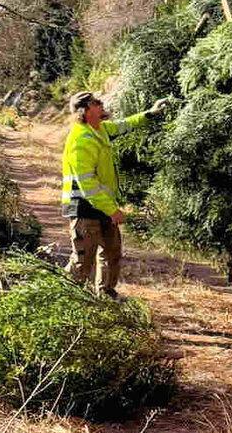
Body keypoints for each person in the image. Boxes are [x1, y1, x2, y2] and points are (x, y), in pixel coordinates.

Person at [61, 90, 171, 299]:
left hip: (102, 206)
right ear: (84, 112)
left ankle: (106, 296)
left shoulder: (100, 129)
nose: (100, 104)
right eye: (95, 102)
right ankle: (64, 299)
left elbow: (124, 125)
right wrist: (112, 210)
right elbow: (87, 185)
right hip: (84, 208)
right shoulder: (81, 141)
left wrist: (151, 113)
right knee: (83, 261)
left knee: (111, 254)